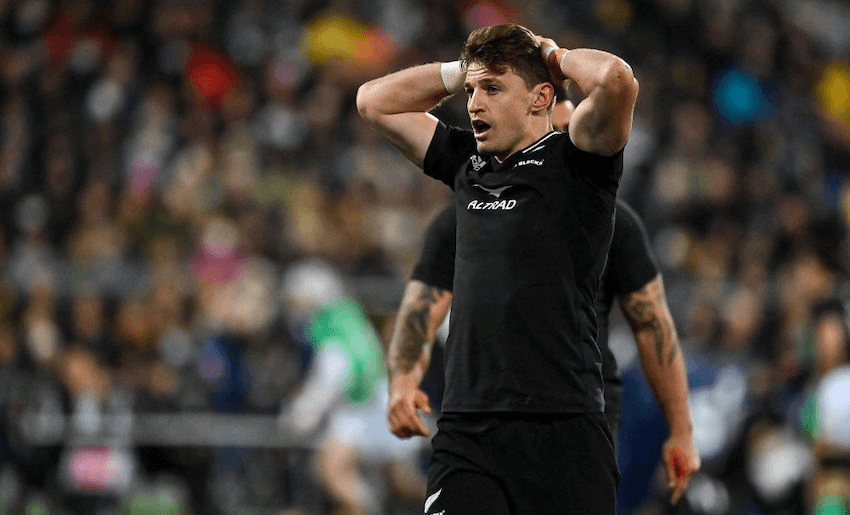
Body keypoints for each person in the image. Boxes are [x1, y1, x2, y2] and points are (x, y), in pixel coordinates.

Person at [357, 23, 640, 513]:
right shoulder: (469, 162)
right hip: (468, 428)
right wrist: (460, 71)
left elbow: (616, 80)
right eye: (471, 91)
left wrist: (553, 55)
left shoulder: (581, 162)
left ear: (539, 98)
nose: (473, 104)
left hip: (563, 425)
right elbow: (372, 101)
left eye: (492, 88)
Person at [387, 196, 700, 507]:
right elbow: (419, 312)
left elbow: (651, 325)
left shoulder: (612, 220)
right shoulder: (463, 218)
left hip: (578, 428)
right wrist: (403, 380)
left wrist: (681, 429)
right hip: (481, 425)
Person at [278, 258, 426, 515]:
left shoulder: (330, 324)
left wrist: (303, 414)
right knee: (400, 480)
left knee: (332, 468)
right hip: (375, 400)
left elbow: (334, 371)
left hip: (362, 407)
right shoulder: (348, 314)